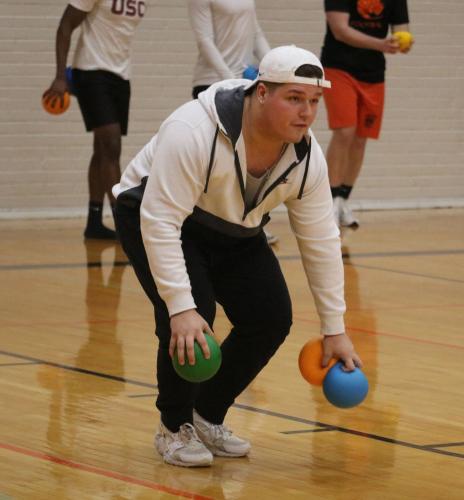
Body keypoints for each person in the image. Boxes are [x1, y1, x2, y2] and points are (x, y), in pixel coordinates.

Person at [113, 45, 362, 468]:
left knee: (270, 317)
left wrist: (334, 327)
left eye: (314, 102)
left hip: (233, 226)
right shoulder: (192, 129)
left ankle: (207, 413)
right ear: (261, 92)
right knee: (195, 316)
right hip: (155, 214)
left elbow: (320, 237)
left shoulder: (306, 157)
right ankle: (174, 427)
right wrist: (180, 306)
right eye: (294, 99)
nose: (306, 113)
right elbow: (160, 220)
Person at [43, 0, 147, 239]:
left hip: (121, 75)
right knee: (111, 147)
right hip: (91, 72)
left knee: (103, 150)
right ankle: (124, 223)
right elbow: (65, 26)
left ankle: (94, 221)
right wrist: (60, 76)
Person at [187, 0, 279, 245]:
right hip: (213, 82)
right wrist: (231, 81)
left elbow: (255, 33)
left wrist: (277, 69)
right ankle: (205, 224)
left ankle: (249, 223)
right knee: (218, 160)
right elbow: (204, 41)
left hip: (244, 84)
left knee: (248, 156)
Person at [320, 0, 412, 228]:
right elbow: (340, 30)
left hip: (373, 73)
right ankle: (328, 202)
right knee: (344, 131)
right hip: (339, 67)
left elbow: (402, 30)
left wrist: (403, 42)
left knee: (361, 138)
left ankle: (342, 200)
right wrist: (381, 44)